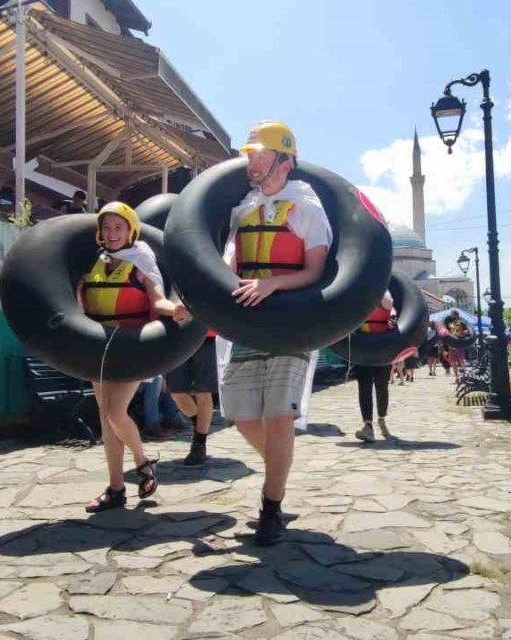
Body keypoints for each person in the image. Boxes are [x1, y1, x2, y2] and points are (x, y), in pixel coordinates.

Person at [220, 122, 330, 546]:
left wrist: (273, 284)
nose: (252, 163)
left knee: (278, 416)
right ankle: (278, 474)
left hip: (290, 323)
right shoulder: (244, 209)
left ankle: (271, 507)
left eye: (261, 156)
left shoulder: (307, 209)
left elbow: (316, 271)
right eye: (250, 156)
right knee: (243, 417)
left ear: (284, 162)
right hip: (249, 323)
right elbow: (229, 263)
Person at [76, 201, 190, 513]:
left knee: (115, 414)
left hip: (132, 349)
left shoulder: (141, 260)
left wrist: (175, 310)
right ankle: (115, 489)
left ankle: (142, 461)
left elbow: (158, 300)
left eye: (119, 227)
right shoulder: (96, 262)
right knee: (106, 420)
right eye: (107, 227)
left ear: (131, 230)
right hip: (99, 348)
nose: (112, 233)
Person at [167, 327, 218, 465]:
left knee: (203, 391)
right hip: (177, 338)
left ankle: (199, 443)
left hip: (206, 336)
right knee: (176, 392)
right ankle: (199, 423)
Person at [352, 292, 395, 442]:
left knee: (382, 386)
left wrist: (375, 287)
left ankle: (381, 417)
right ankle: (368, 425)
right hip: (363, 348)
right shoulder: (358, 300)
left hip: (382, 348)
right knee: (364, 387)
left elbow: (389, 303)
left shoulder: (384, 294)